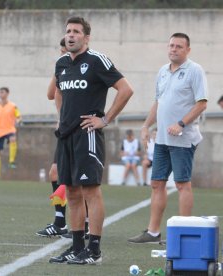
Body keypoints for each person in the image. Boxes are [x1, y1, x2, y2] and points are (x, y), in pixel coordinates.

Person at [49, 16, 133, 265]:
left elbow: (126, 89)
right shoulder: (61, 63)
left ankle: (94, 250)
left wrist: (104, 120)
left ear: (86, 37)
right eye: (68, 31)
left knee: (90, 192)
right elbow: (58, 93)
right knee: (71, 193)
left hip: (87, 134)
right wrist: (62, 118)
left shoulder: (97, 60)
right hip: (65, 136)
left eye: (76, 31)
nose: (71, 35)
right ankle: (76, 247)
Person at [128, 33, 208, 244]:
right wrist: (146, 126)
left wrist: (181, 123)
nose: (173, 49)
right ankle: (153, 232)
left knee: (182, 184)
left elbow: (201, 103)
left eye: (179, 46)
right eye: (171, 45)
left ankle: (183, 232)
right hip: (162, 139)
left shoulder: (195, 70)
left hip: (183, 138)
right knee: (156, 183)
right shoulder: (162, 71)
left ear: (187, 50)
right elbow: (158, 103)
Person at [36, 38, 69, 237]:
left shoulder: (84, 68)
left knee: (80, 181)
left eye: (63, 50)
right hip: (64, 130)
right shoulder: (62, 69)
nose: (62, 53)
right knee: (55, 173)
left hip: (79, 129)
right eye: (61, 50)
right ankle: (60, 222)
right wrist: (59, 68)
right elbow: (51, 94)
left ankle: (87, 224)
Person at [0, 87, 21, 180]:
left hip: (9, 129)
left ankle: (11, 161)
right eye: (0, 93)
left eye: (2, 92)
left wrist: (17, 121)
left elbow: (18, 116)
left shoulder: (13, 106)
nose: (1, 94)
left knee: (13, 138)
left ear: (7, 93)